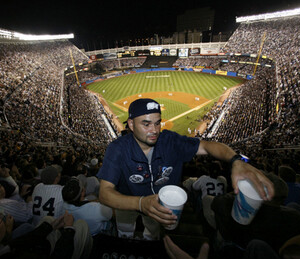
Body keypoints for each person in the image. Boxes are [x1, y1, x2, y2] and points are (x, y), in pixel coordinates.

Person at [97, 98, 274, 240]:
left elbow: (207, 146)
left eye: (158, 123)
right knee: (124, 232)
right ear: (131, 124)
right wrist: (141, 203)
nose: (154, 130)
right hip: (126, 202)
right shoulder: (117, 148)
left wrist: (236, 160)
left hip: (159, 206)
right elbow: (104, 193)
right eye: (146, 124)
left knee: (151, 233)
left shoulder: (171, 141)